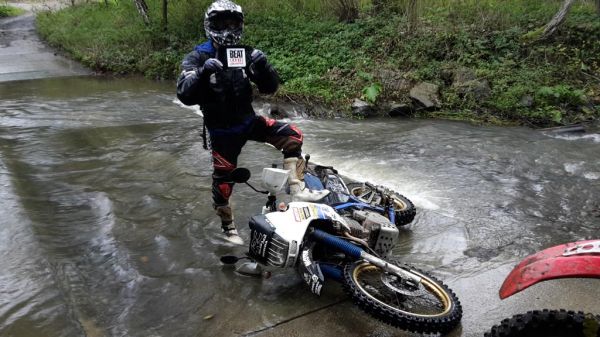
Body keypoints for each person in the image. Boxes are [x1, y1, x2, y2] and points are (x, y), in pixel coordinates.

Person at [176, 0, 326, 245]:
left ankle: (297, 188)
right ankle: (228, 228)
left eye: (232, 23)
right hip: (222, 132)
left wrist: (263, 66)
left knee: (293, 135)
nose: (227, 29)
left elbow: (269, 87)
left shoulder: (244, 53)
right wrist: (203, 72)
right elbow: (184, 93)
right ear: (210, 25)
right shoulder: (198, 56)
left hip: (249, 121)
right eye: (221, 23)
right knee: (224, 183)